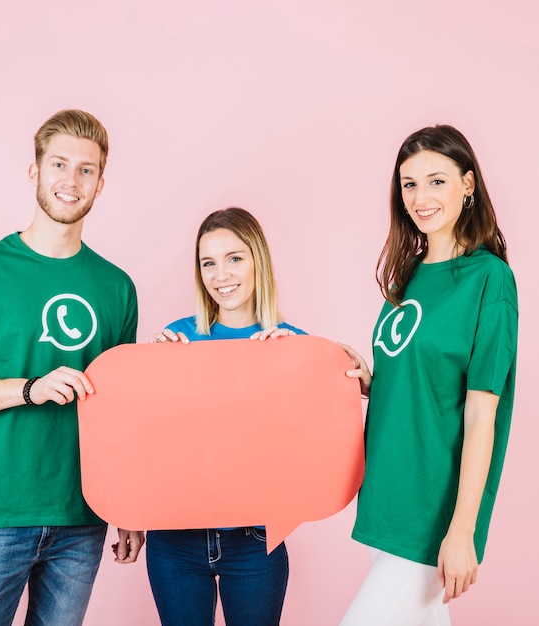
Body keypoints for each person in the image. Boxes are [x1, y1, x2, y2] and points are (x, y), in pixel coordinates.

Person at [0, 109, 144, 626]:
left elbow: (119, 411)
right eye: (59, 164)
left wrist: (129, 505)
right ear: (35, 172)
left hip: (82, 518)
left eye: (86, 170)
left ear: (100, 183)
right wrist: (30, 388)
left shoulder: (117, 288)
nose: (70, 181)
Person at [339, 125, 518, 625]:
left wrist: (463, 529)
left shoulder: (490, 279)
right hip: (384, 500)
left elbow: (483, 414)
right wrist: (373, 381)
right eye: (409, 184)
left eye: (436, 181)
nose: (421, 197)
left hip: (431, 512)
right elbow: (422, 382)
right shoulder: (408, 275)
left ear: (467, 184)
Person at [144, 207, 305, 626]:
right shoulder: (177, 338)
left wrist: (315, 364)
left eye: (234, 258)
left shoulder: (292, 345)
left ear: (258, 260)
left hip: (254, 539)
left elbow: (312, 440)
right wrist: (153, 374)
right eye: (208, 263)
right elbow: (148, 442)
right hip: (174, 537)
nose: (221, 275)